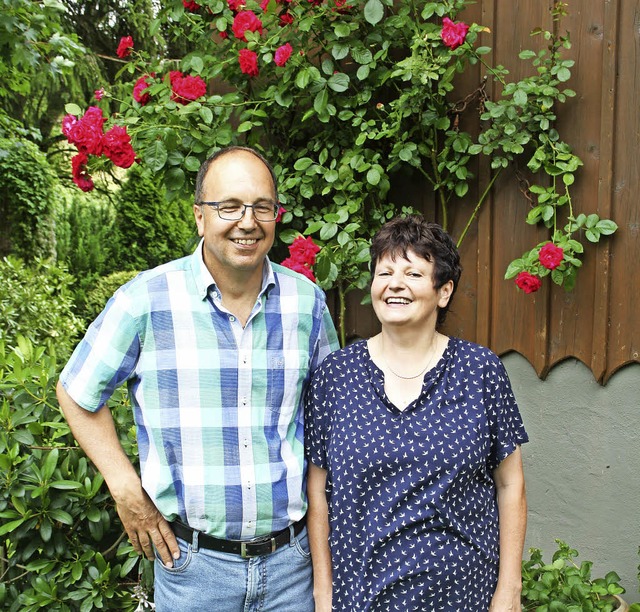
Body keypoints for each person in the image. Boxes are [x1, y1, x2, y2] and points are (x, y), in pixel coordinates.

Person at [56, 145, 339, 611]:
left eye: (261, 207)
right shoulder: (144, 301)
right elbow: (76, 391)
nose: (247, 221)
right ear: (199, 217)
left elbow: (331, 419)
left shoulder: (306, 303)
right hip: (192, 571)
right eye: (229, 206)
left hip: (293, 566)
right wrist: (125, 489)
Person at [305, 214, 528, 611]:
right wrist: (324, 594)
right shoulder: (335, 376)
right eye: (384, 271)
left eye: (412, 273)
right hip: (361, 597)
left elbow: (510, 485)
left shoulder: (480, 371)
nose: (394, 284)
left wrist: (508, 590)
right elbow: (319, 491)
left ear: (443, 291)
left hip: (463, 596)